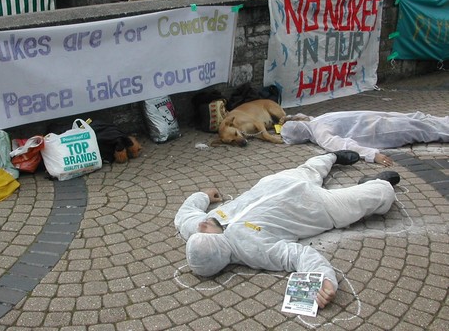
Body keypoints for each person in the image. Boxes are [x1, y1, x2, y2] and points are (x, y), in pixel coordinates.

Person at [175, 151, 399, 309]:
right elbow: (299, 255)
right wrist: (323, 279)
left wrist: (203, 195)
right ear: (219, 248)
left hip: (275, 184)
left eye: (200, 229)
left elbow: (184, 214)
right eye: (205, 232)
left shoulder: (201, 225)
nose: (203, 224)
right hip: (316, 206)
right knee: (379, 196)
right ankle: (378, 182)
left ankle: (333, 156)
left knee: (311, 167)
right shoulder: (253, 248)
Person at [281, 111, 449, 166]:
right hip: (375, 122)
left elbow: (341, 145)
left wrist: (371, 155)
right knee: (419, 122)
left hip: (377, 129)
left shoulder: (318, 130)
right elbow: (341, 144)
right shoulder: (318, 121)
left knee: (421, 127)